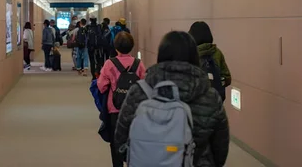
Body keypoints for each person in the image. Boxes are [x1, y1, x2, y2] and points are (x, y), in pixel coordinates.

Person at [115, 31, 230, 166]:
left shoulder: (140, 92)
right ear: (195, 56)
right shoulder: (210, 97)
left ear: (161, 55)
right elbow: (220, 150)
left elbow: (121, 141)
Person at [97, 32, 146, 167]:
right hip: (135, 111)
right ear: (132, 46)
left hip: (115, 110)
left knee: (115, 143)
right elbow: (145, 86)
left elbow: (101, 87)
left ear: (116, 47)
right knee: (134, 143)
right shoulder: (139, 64)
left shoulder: (109, 64)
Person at [189, 21, 231, 102]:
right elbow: (227, 79)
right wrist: (215, 82)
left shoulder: (190, 53)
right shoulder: (217, 52)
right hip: (215, 101)